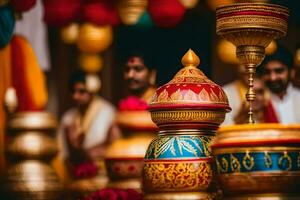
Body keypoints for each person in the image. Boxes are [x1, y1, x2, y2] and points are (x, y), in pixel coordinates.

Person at [55, 71, 119, 183]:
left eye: (81, 92)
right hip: (74, 176)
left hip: (102, 176)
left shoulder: (108, 112)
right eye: (73, 92)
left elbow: (114, 146)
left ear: (92, 91)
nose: (75, 96)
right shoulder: (68, 118)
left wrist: (87, 153)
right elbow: (62, 153)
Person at [259, 46, 300, 124]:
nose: (272, 78)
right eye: (267, 72)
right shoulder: (258, 102)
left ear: (292, 72)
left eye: (279, 71)